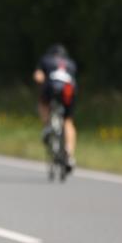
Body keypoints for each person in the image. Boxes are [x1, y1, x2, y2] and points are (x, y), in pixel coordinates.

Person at [33, 44, 77, 172]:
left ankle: (47, 127)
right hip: (69, 90)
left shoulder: (45, 60)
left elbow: (38, 76)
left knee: (43, 102)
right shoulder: (71, 63)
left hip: (52, 87)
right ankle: (69, 154)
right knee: (68, 121)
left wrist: (40, 83)